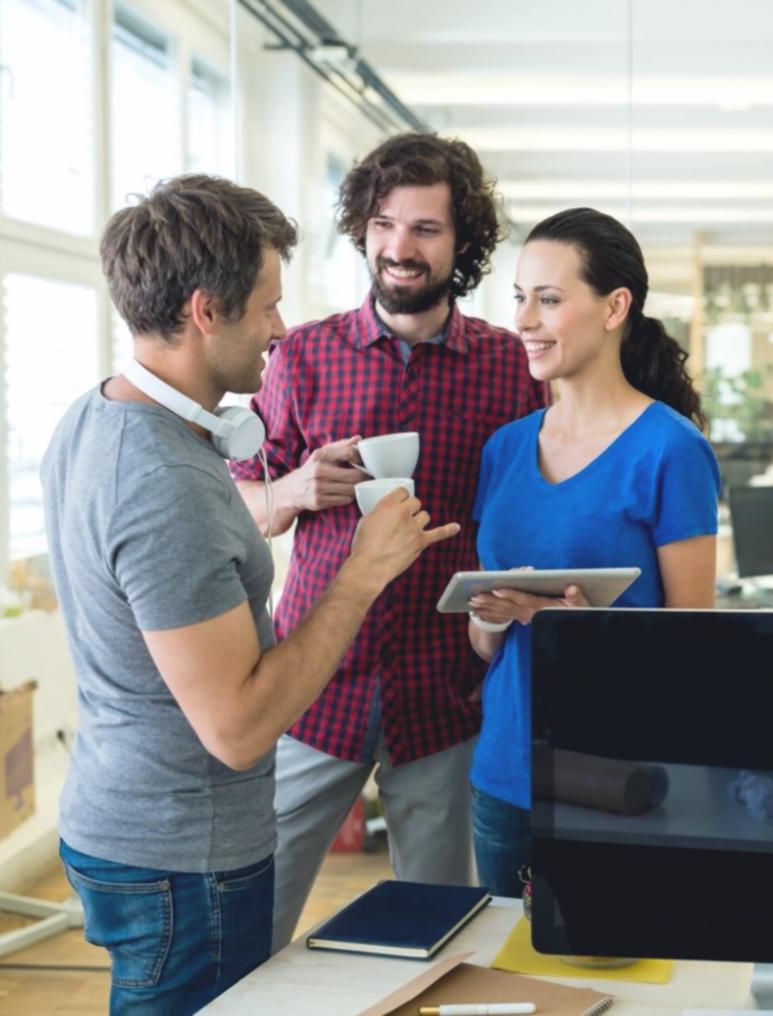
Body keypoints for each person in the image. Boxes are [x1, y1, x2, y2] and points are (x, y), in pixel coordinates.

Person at [40, 175, 457, 1014]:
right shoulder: (163, 480)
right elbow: (237, 728)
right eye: (266, 306)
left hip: (126, 822)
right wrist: (364, 572)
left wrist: (292, 493)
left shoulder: (98, 417)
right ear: (205, 311)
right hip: (180, 857)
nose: (280, 327)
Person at [228, 133, 549, 950]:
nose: (399, 247)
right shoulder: (299, 357)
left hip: (446, 691)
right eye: (383, 223)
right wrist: (295, 488)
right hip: (314, 684)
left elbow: (527, 513)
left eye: (426, 229)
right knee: (250, 917)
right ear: (363, 230)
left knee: (438, 931)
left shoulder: (511, 369)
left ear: (462, 242)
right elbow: (240, 510)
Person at [465, 207, 721, 896]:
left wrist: (582, 635)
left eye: (549, 300)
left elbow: (695, 642)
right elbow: (489, 643)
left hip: (615, 774)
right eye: (520, 298)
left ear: (615, 307)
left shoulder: (671, 451)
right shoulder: (505, 449)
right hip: (505, 771)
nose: (524, 321)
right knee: (509, 985)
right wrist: (492, 616)